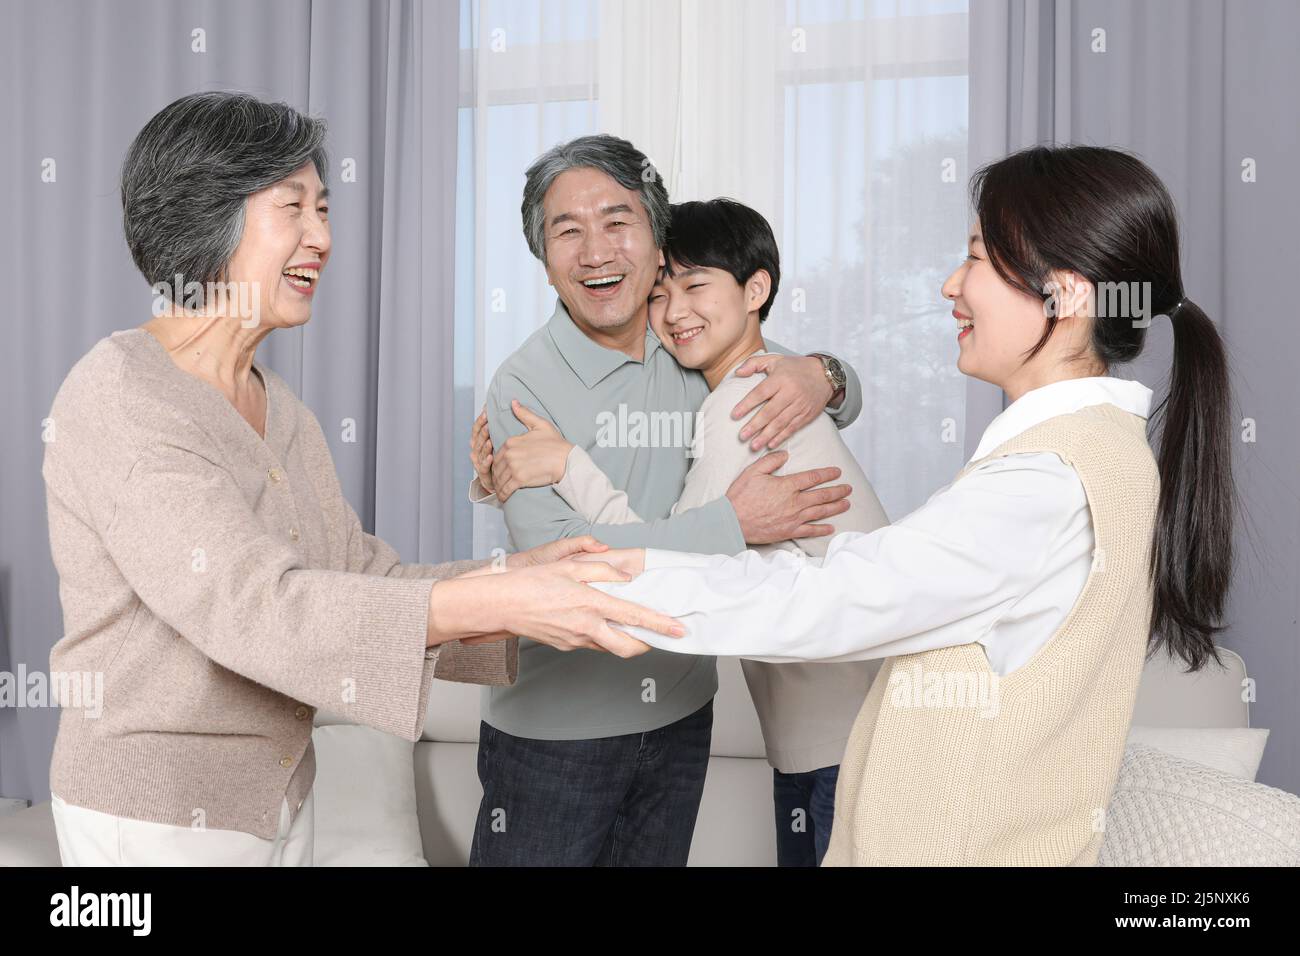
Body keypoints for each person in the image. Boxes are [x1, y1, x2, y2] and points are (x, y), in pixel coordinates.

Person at [42, 92, 678, 867]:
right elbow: (253, 607)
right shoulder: (122, 395)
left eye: (326, 209)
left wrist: (519, 577)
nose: (324, 237)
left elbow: (362, 576)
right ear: (210, 216)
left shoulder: (283, 411)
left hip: (278, 798)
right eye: (295, 209)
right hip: (155, 815)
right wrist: (496, 598)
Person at [587, 145, 1236, 866]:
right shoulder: (1110, 451)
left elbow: (835, 596)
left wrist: (584, 580)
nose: (951, 285)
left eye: (980, 259)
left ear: (1068, 294)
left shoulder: (1042, 484)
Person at [464, 134, 867, 866]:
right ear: (542, 258)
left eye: (618, 223)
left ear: (656, 241)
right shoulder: (522, 390)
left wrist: (824, 374)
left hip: (680, 716)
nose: (596, 253)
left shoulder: (684, 343)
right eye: (569, 230)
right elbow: (574, 572)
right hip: (559, 730)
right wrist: (733, 526)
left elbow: (779, 382)